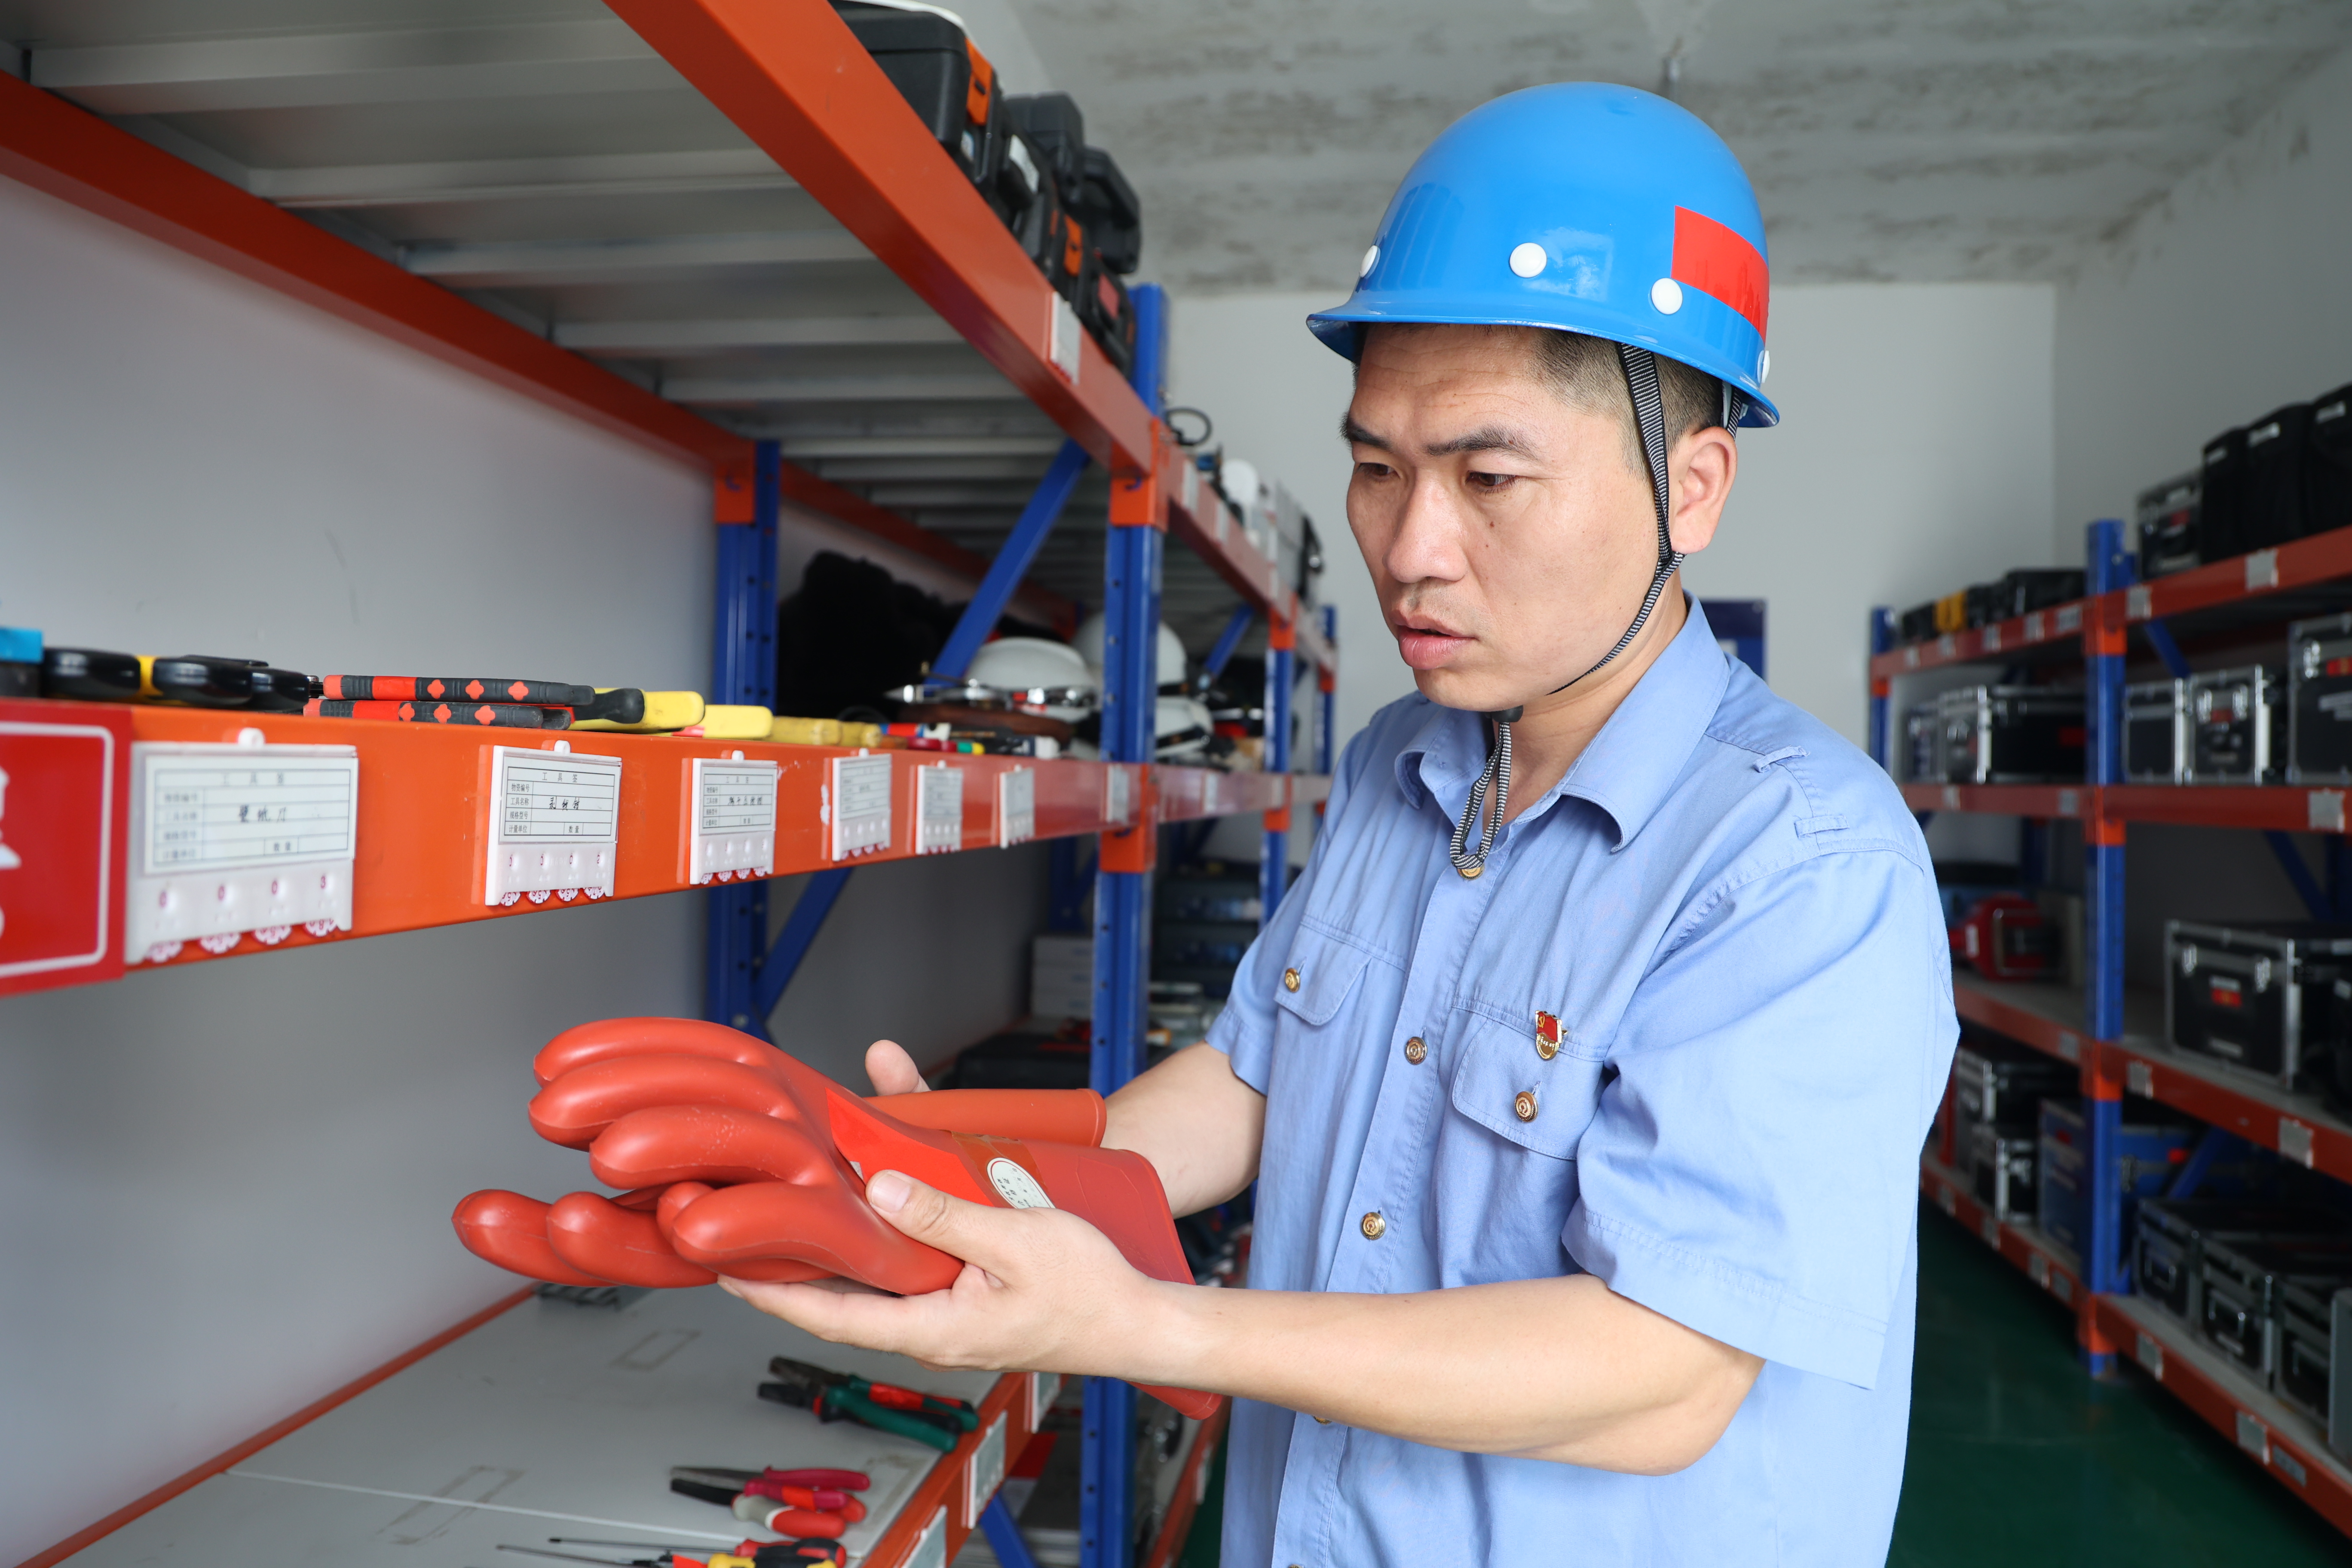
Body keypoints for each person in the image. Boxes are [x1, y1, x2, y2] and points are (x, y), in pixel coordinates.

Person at [730, 81, 1956, 1564]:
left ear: (1690, 489)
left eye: (1489, 478)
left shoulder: (1803, 867)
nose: (1410, 550)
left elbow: (1664, 1372)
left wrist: (1140, 1324)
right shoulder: (1401, 764)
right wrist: (964, 1186)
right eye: (1377, 469)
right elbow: (1257, 1083)